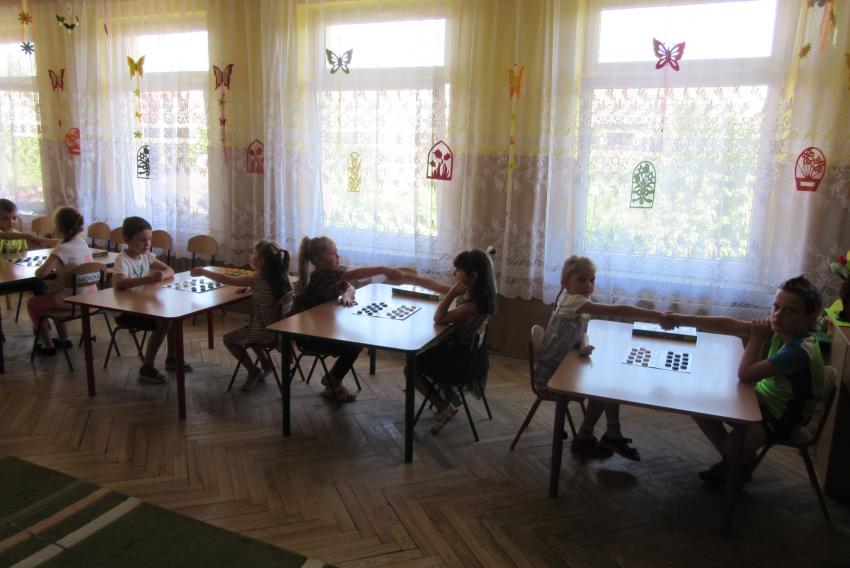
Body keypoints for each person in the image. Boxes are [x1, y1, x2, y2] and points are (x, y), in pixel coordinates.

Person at [667, 275, 824, 484]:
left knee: (730, 448)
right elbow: (729, 325)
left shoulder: (798, 351)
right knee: (697, 403)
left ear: (811, 318)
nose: (778, 315)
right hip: (763, 398)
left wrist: (756, 338)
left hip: (782, 417)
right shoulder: (786, 329)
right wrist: (680, 319)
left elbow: (746, 374)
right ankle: (736, 462)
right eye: (776, 307)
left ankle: (737, 461)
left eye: (790, 311)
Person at [534, 255, 675, 460]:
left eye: (592, 280)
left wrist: (583, 345)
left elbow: (581, 330)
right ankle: (596, 436)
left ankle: (604, 434)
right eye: (581, 280)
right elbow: (617, 310)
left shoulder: (574, 299)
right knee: (605, 387)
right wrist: (656, 316)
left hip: (562, 365)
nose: (588, 285)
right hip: (551, 376)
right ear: (565, 282)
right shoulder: (573, 300)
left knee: (607, 382)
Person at [294, 236, 402, 402]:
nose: (338, 256)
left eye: (337, 252)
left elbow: (349, 286)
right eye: (332, 253)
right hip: (313, 337)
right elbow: (356, 274)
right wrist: (382, 269)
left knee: (356, 338)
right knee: (355, 343)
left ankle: (333, 380)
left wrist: (346, 295)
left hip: (325, 329)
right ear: (318, 260)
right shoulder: (323, 275)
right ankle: (333, 380)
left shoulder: (332, 274)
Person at [403, 249, 497, 433]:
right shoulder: (481, 297)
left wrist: (452, 294)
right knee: (430, 351)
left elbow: (438, 318)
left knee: (410, 368)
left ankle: (443, 407)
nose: (454, 273)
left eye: (458, 270)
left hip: (460, 361)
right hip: (469, 355)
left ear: (473, 276)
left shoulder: (472, 306)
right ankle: (450, 395)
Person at [191, 240, 292, 391]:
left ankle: (253, 370)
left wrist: (204, 272)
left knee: (228, 340)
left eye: (254, 254)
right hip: (279, 331)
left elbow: (226, 279)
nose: (251, 256)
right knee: (252, 337)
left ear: (261, 261)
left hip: (263, 332)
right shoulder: (282, 277)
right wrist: (251, 288)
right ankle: (266, 365)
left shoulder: (257, 279)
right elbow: (268, 293)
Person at [112, 216, 192, 384]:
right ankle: (147, 367)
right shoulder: (122, 259)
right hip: (126, 311)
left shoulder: (146, 256)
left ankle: (171, 358)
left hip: (142, 306)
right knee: (164, 321)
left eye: (149, 239)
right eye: (142, 240)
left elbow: (169, 270)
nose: (147, 244)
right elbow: (119, 283)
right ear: (126, 239)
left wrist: (161, 275)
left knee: (172, 316)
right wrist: (146, 280)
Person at [26, 207, 94, 355]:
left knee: (32, 303)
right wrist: (43, 241)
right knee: (52, 294)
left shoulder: (61, 250)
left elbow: (40, 274)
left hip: (70, 300)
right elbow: (62, 242)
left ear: (59, 227)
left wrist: (47, 267)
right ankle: (64, 339)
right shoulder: (82, 243)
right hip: (88, 297)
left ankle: (48, 345)